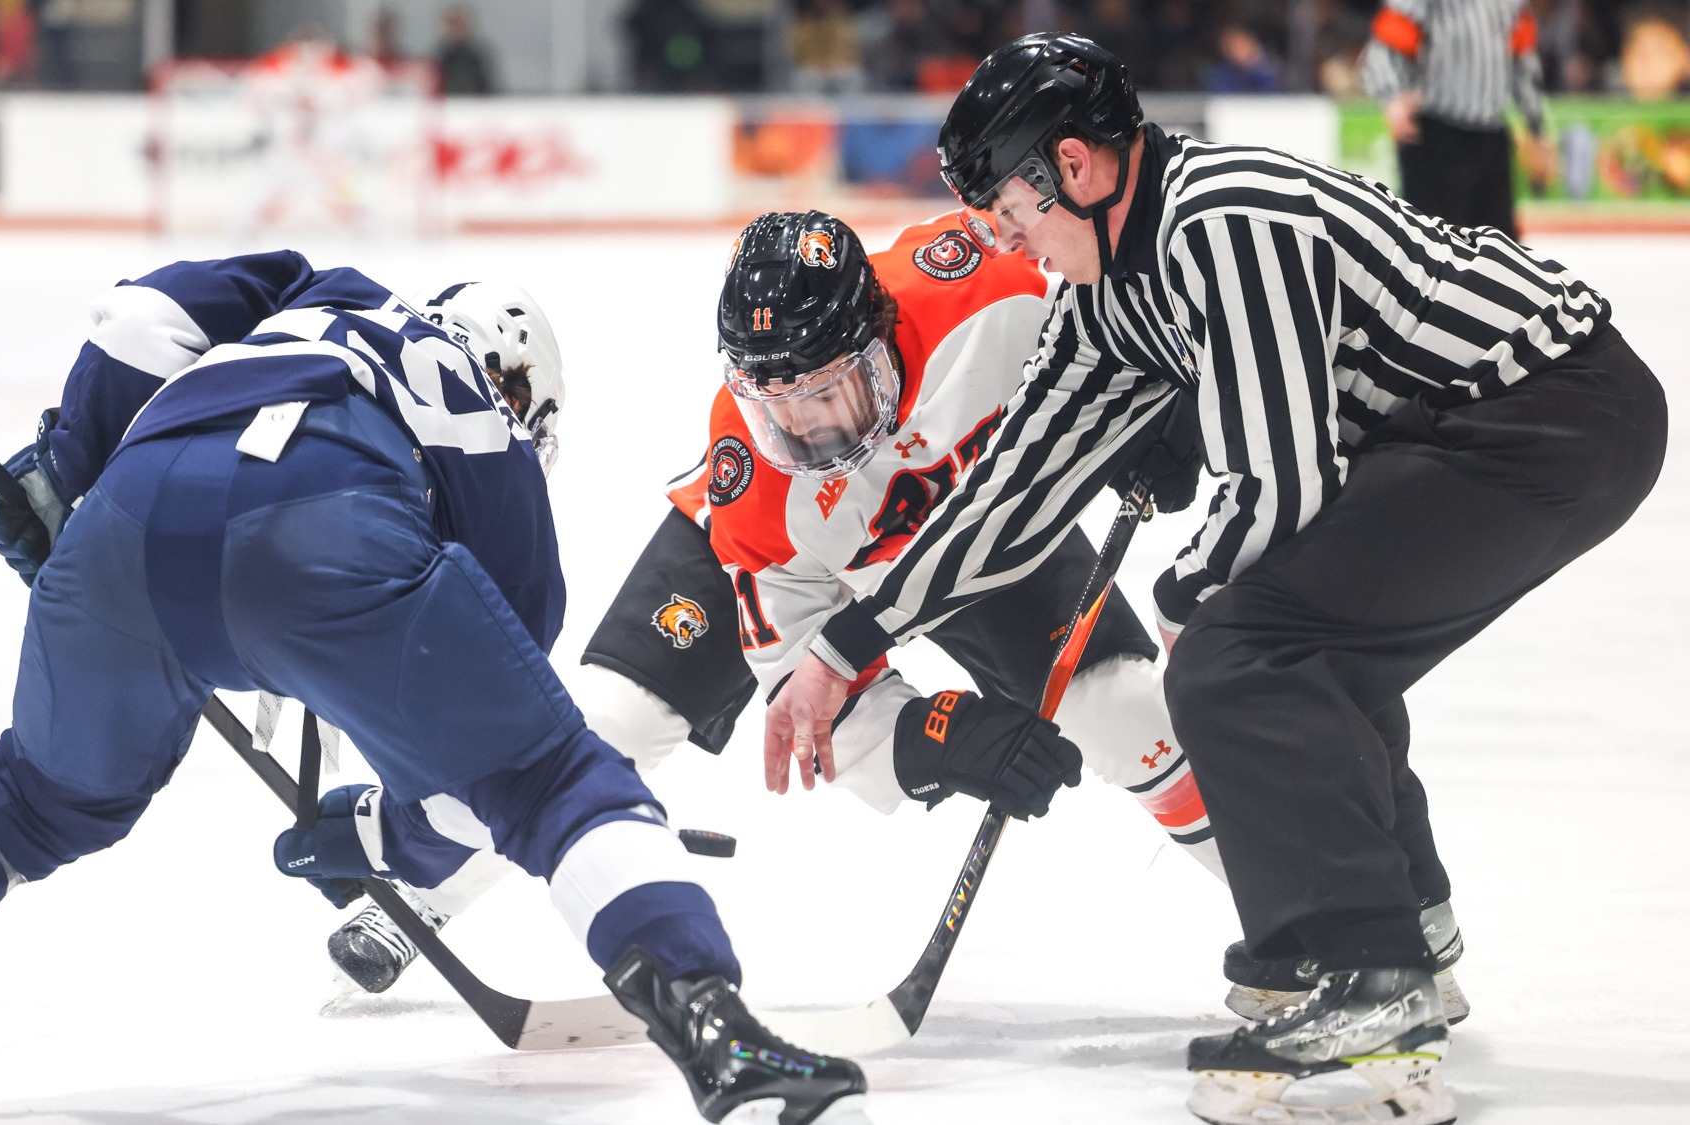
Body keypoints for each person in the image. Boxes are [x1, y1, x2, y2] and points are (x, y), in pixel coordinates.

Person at [0, 253, 867, 1125]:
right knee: (556, 782)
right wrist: (382, 836)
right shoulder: (484, 423)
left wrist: (64, 468)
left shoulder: (317, 291)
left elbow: (146, 315)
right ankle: (715, 1033)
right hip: (322, 534)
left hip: (124, 533)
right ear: (522, 388)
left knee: (32, 796)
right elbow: (486, 778)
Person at [764, 33, 1664, 1125]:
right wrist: (840, 649)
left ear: (1077, 167)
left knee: (1245, 654)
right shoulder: (1104, 293)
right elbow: (1007, 498)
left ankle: (1364, 977)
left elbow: (1277, 485)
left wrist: (1190, 608)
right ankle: (1395, 933)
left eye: (1011, 208)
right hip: (1463, 433)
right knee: (1293, 644)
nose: (1006, 237)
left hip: (1549, 415)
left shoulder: (1220, 217)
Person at [327, 208, 1230, 998]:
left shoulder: (982, 286)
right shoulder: (755, 477)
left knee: (1126, 713)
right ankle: (421, 887)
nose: (802, 428)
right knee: (606, 725)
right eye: (774, 399)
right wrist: (930, 737)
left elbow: (1123, 286)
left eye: (824, 389)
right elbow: (799, 685)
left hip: (968, 536)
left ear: (880, 334)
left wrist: (1166, 399)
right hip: (777, 557)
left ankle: (1296, 916)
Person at [1362, 0, 1546, 237]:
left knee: (1499, 247)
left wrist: (1536, 127)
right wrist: (1393, 98)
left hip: (1491, 137)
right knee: (1434, 244)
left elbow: (1523, 60)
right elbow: (1385, 48)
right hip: (1437, 136)